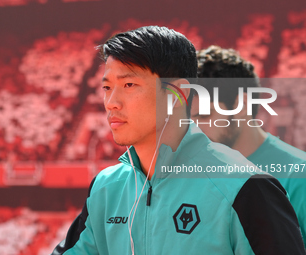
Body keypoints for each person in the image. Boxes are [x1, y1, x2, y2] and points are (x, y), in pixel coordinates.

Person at [51, 27, 305, 255]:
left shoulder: (245, 187)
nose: (111, 103)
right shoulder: (106, 188)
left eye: (129, 84)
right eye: (107, 88)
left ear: (179, 94)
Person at [194, 45, 306, 247]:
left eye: (203, 115)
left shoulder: (298, 177)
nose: (192, 130)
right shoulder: (190, 172)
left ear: (242, 105)